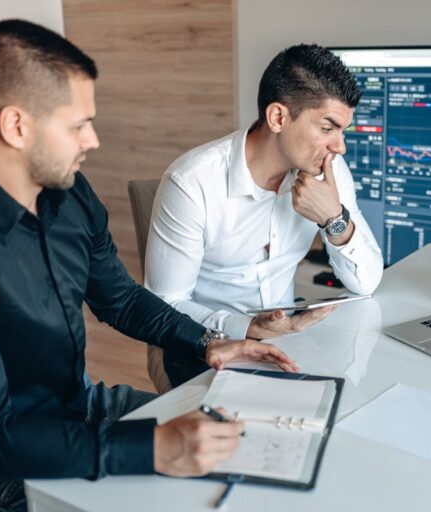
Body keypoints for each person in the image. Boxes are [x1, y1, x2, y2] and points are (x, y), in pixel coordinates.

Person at [0, 19, 298, 512]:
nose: (93, 140)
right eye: (78, 124)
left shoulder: (68, 192)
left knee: (247, 451)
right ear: (15, 125)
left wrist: (210, 342)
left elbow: (119, 297)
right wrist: (153, 448)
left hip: (77, 406)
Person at [145, 44, 384, 387]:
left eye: (342, 131)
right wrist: (247, 328)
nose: (339, 146)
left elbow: (366, 282)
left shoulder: (328, 170)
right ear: (278, 117)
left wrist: (335, 218)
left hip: (288, 339)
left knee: (351, 398)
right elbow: (163, 304)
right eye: (328, 128)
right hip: (205, 344)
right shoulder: (192, 183)